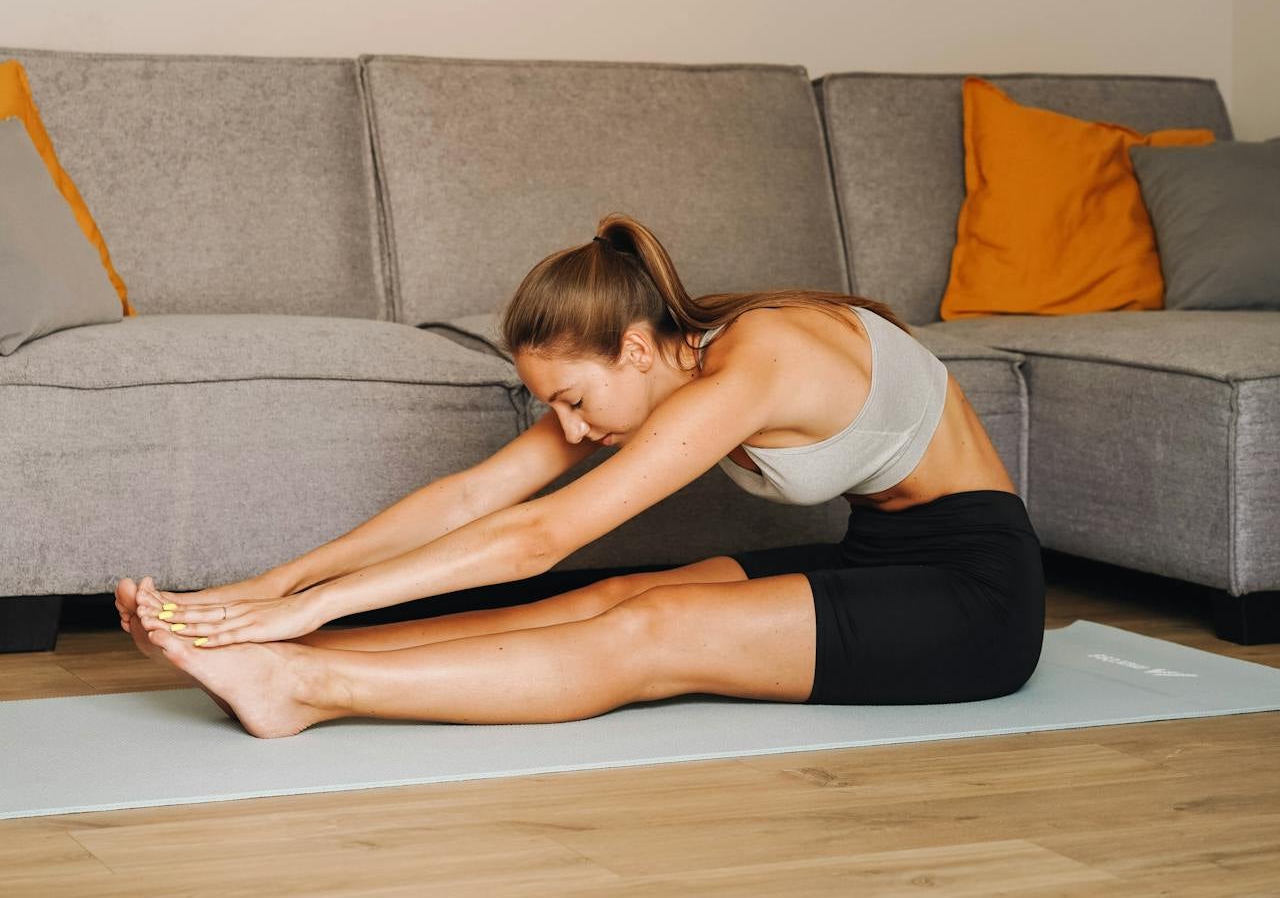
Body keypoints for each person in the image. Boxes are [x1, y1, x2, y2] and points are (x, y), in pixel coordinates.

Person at [119, 213, 1045, 738]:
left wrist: (311, 608)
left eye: (569, 397)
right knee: (611, 593)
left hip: (976, 596)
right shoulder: (667, 368)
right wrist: (271, 593)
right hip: (879, 558)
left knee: (648, 629)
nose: (566, 425)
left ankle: (308, 688)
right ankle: (272, 666)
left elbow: (538, 536)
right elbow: (480, 494)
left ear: (636, 347)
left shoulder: (755, 360)